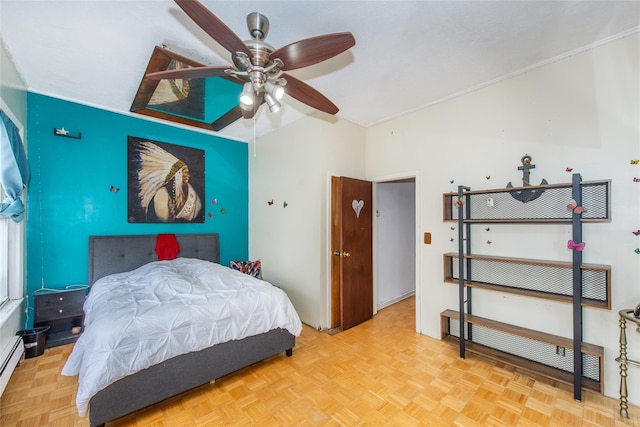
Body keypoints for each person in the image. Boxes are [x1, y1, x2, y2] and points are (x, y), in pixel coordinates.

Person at [136, 141, 202, 222]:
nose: (188, 176)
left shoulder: (184, 190)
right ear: (177, 175)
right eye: (185, 172)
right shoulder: (162, 193)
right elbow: (164, 221)